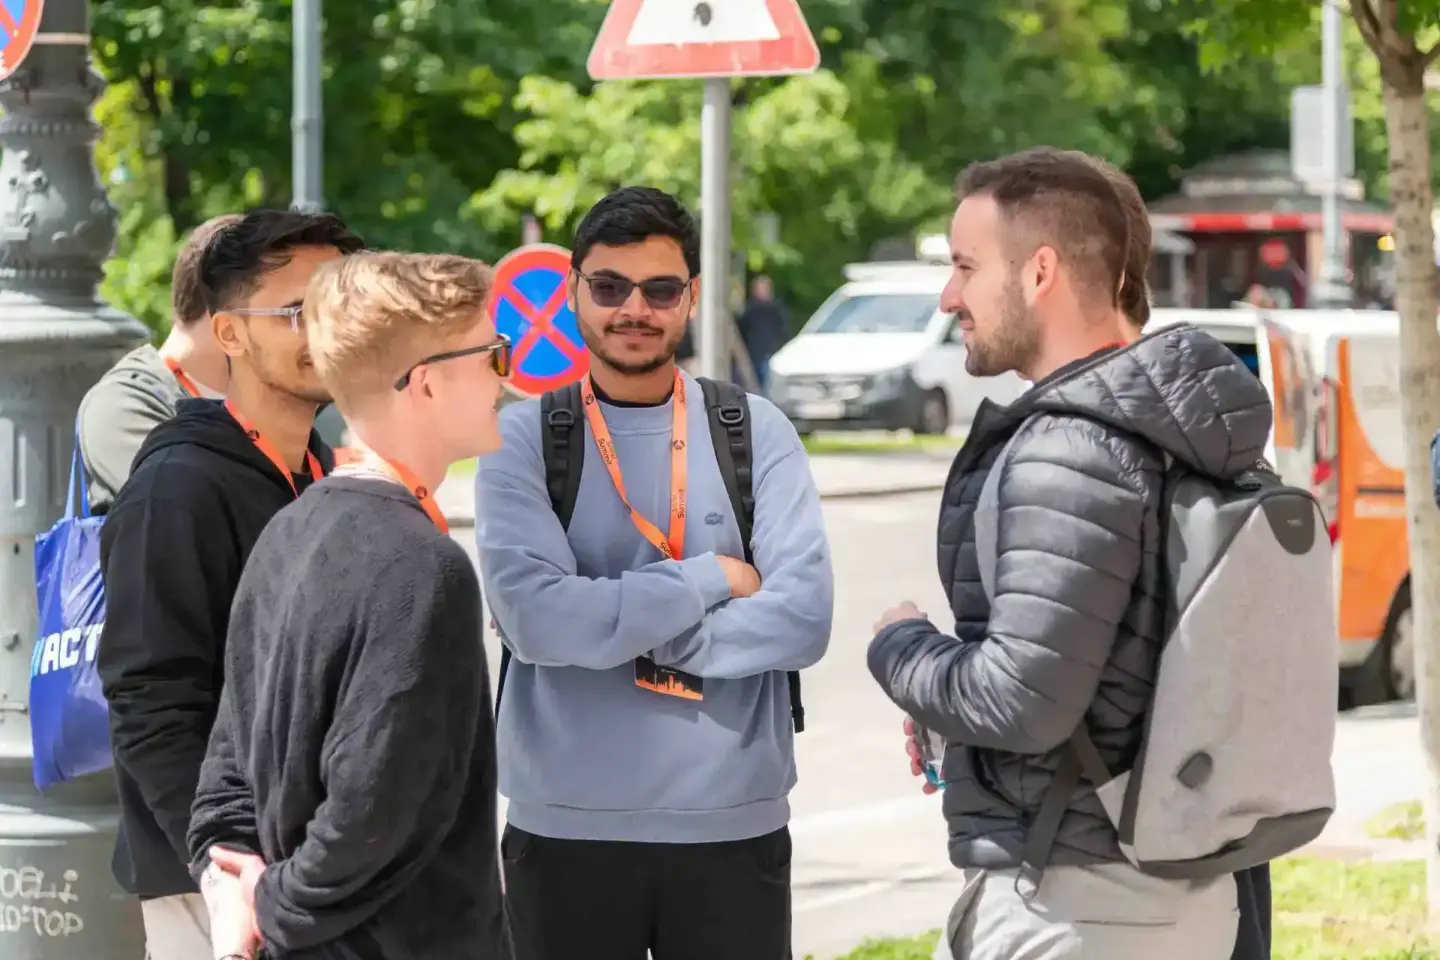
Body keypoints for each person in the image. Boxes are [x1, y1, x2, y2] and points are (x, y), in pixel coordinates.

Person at [866, 147, 1273, 960]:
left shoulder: (1073, 449)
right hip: (1194, 881)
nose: (951, 295)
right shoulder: (1194, 437)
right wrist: (956, 718)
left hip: (1081, 902)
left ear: (1040, 270)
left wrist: (900, 646)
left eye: (965, 265)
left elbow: (1022, 703)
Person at [476, 185, 834, 960]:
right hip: (562, 828)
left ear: (691, 298)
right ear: (575, 291)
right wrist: (709, 579)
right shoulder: (522, 440)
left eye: (660, 289)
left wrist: (614, 633)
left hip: (732, 827)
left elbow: (804, 617)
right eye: (609, 287)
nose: (633, 308)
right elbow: (536, 620)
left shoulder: (753, 430)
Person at [188, 252, 512, 960]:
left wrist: (233, 888)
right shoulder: (426, 568)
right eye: (492, 353)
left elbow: (225, 779)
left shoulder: (289, 528)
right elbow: (376, 818)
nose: (504, 375)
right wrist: (268, 904)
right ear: (425, 383)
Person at [95, 209, 363, 959]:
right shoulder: (176, 487)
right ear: (230, 333)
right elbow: (150, 699)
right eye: (295, 311)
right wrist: (224, 870)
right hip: (217, 886)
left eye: (339, 307)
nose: (324, 330)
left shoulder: (317, 469)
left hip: (310, 870)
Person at [1095, 157, 1275, 960]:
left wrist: (918, 663)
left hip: (1117, 867)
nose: (953, 296)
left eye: (973, 267)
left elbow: (1043, 691)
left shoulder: (1089, 443)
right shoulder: (1219, 431)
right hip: (1233, 842)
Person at [79, 213, 240, 513]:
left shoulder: (257, 402)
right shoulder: (124, 403)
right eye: (282, 314)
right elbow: (193, 515)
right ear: (222, 315)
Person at [737, 274, 790, 392]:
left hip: (769, 352)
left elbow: (783, 331)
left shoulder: (775, 310)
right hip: (757, 353)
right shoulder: (751, 311)